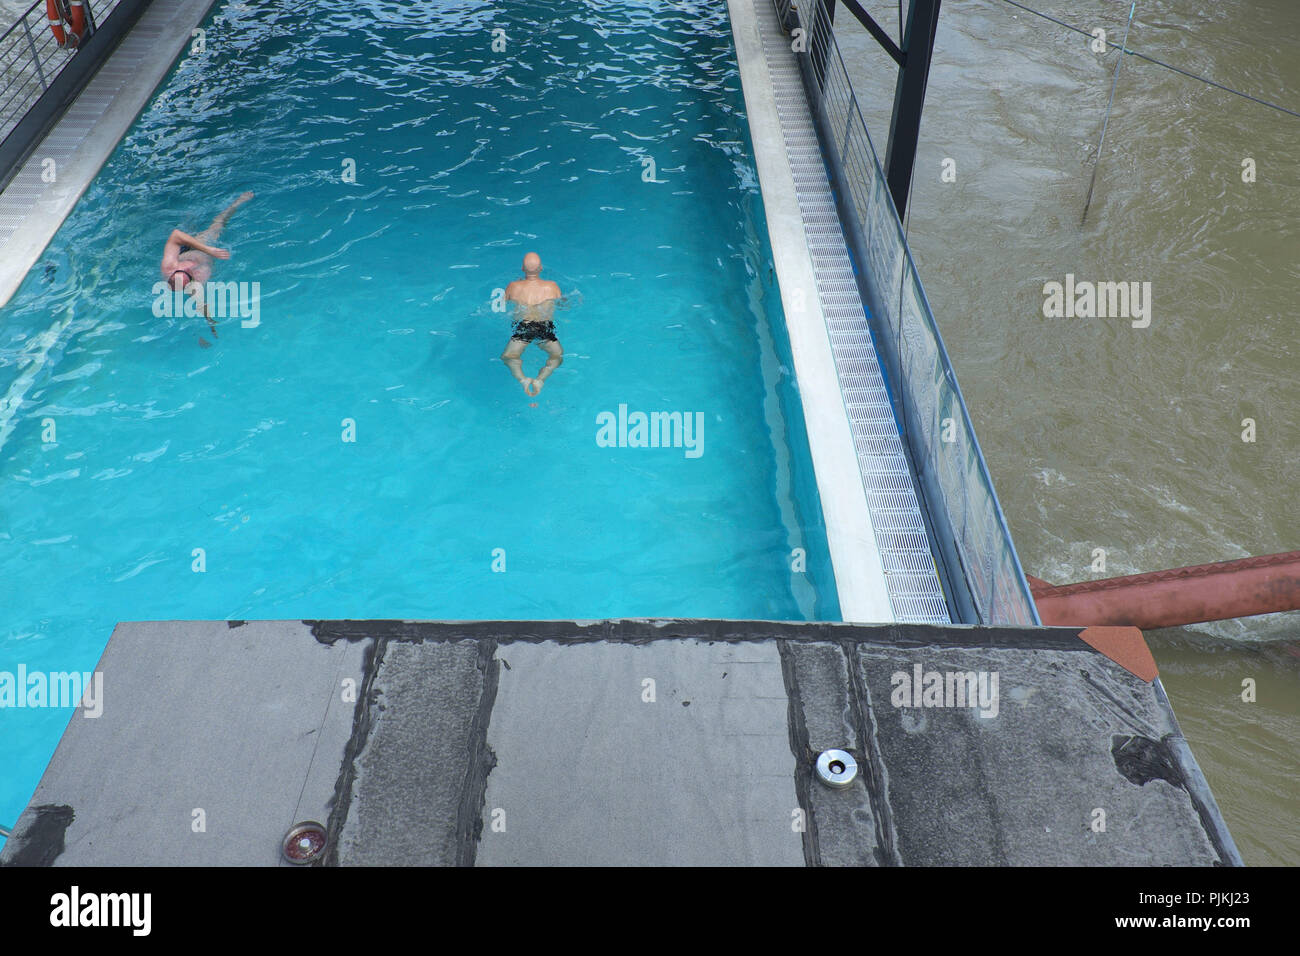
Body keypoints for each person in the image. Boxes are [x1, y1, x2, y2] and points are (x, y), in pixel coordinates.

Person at [159, 191, 254, 342]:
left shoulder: (169, 265)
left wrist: (209, 250)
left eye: (181, 268)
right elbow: (202, 306)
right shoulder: (197, 286)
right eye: (187, 271)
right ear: (191, 280)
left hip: (193, 248)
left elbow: (175, 235)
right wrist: (212, 326)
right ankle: (237, 203)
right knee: (218, 225)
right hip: (204, 249)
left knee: (186, 229)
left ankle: (190, 216)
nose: (186, 267)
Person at [501, 252, 564, 396]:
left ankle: (523, 380)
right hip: (544, 327)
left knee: (508, 357)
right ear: (541, 268)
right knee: (557, 356)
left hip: (523, 327)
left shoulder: (512, 286)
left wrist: (517, 286)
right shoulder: (552, 286)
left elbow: (504, 304)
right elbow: (562, 305)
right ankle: (541, 379)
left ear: (522, 268)